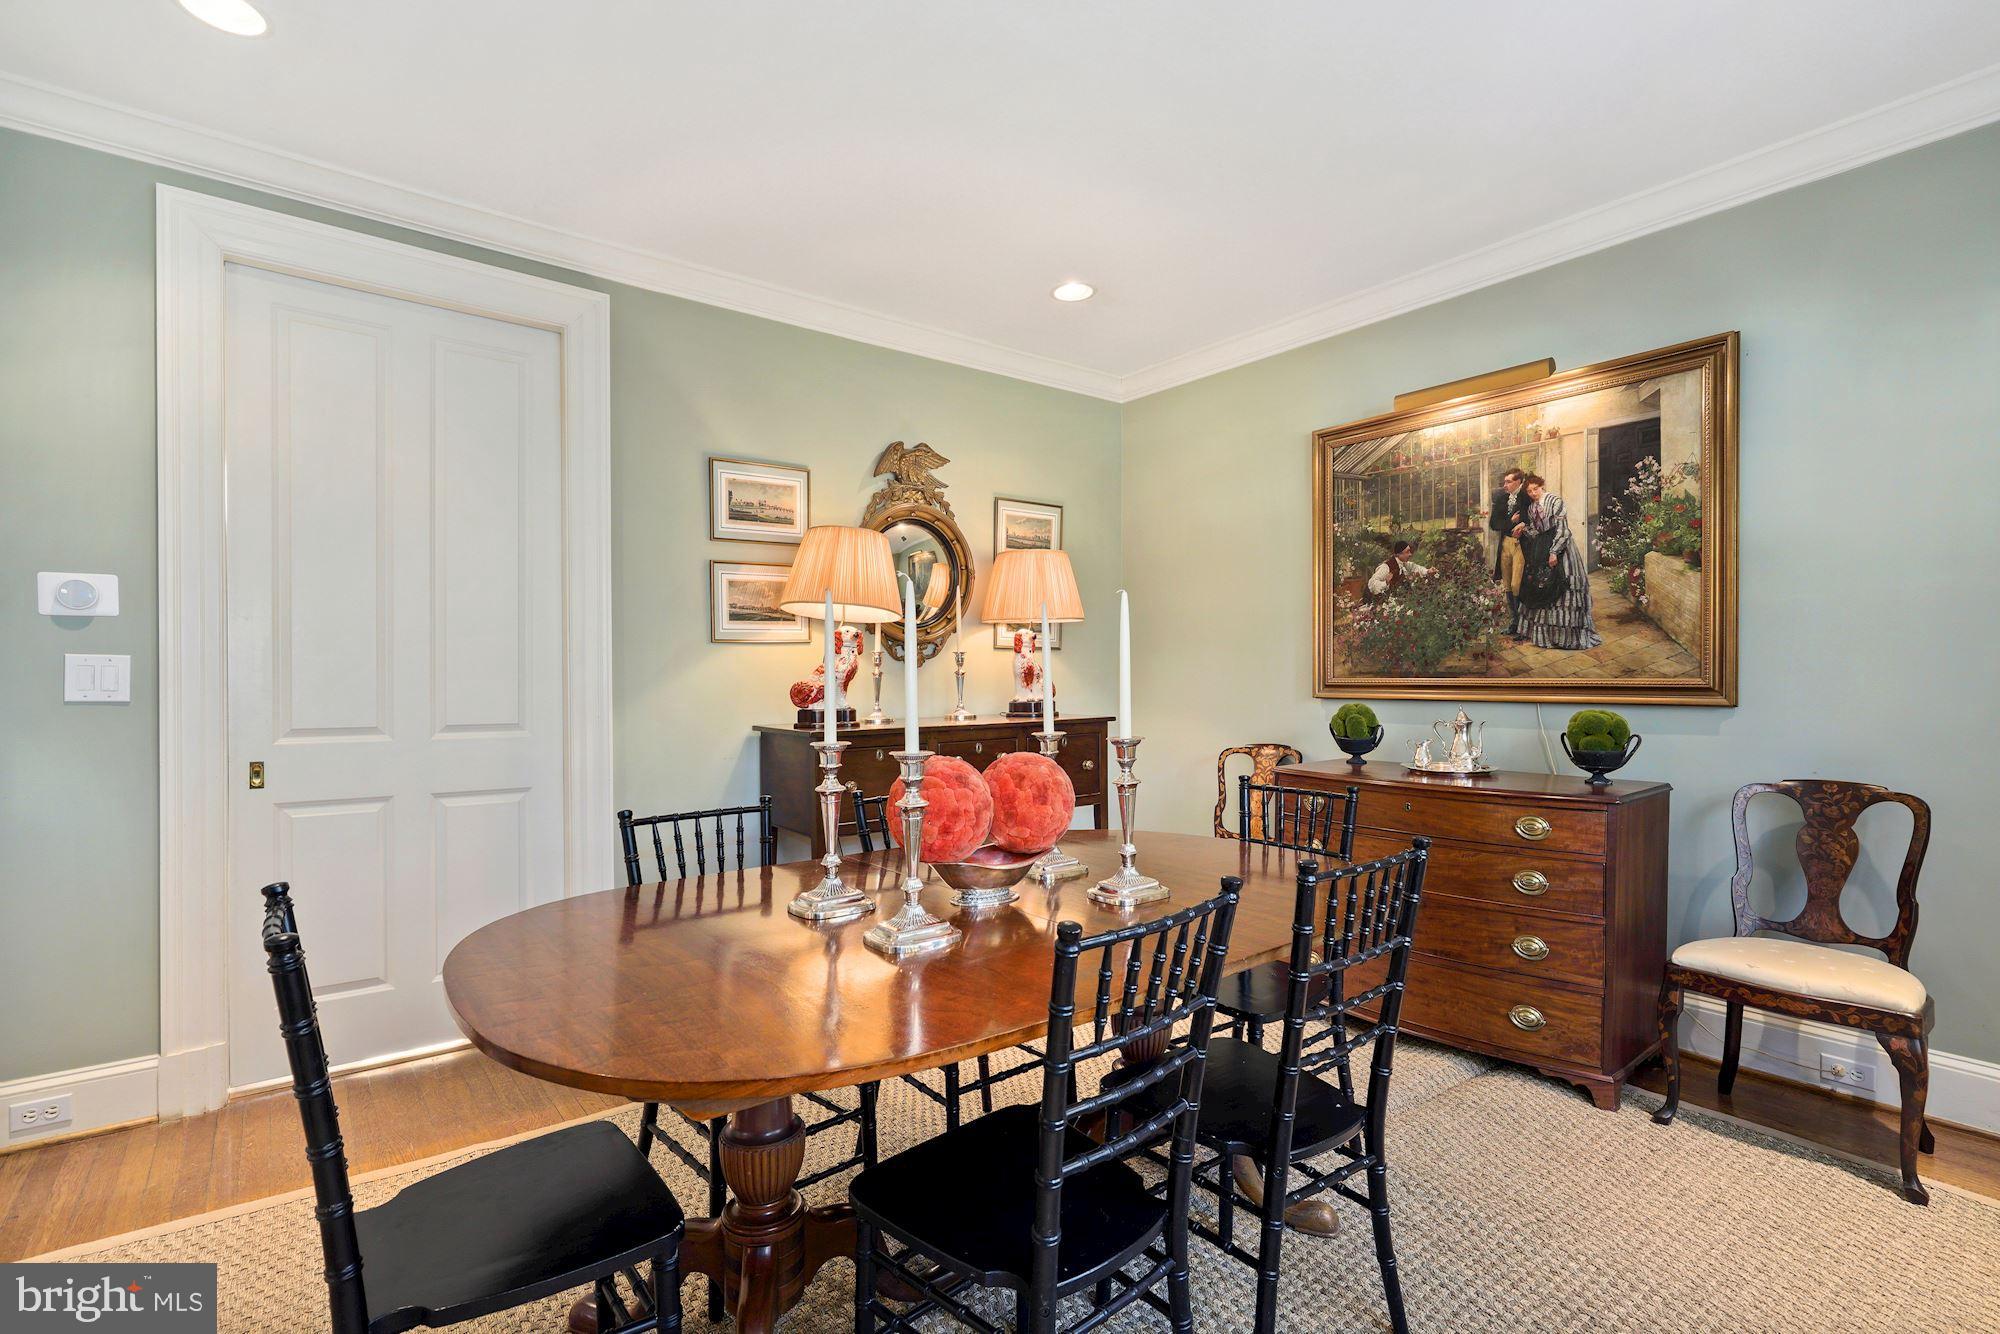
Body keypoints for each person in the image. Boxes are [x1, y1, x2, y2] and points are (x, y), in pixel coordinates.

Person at [1516, 474, 1602, 650]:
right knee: (1542, 585)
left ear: (1542, 486)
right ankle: (1548, 635)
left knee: (1563, 588)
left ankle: (1567, 637)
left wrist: (1554, 552)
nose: (1533, 493)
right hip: (1542, 546)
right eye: (1530, 491)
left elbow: (1563, 529)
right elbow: (1537, 532)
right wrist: (1524, 528)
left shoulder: (1555, 501)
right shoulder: (1532, 507)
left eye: (1536, 489)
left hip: (1561, 547)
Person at [1488, 467, 1528, 637]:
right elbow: (1494, 524)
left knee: (1517, 584)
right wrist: (1510, 521)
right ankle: (1514, 622)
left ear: (1519, 481)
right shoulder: (1501, 498)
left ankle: (1523, 624)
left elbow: (1530, 519)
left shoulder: (1527, 497)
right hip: (1505, 544)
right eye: (1504, 481)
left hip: (1521, 544)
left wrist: (1521, 523)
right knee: (1507, 585)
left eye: (1508, 481)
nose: (1505, 485)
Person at [1366, 540, 1431, 599]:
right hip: (1383, 602)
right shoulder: (1386, 567)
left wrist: (1428, 571)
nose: (1410, 554)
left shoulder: (1404, 564)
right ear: (1399, 554)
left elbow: (1416, 568)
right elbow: (1372, 584)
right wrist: (1385, 582)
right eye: (1407, 552)